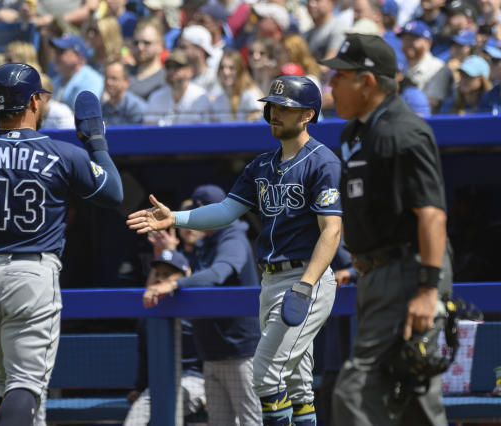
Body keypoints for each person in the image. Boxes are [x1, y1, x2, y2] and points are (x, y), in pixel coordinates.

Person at [128, 75, 342, 426]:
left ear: (308, 115)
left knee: (264, 376)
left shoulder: (323, 162)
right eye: (271, 106)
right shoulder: (261, 165)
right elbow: (225, 211)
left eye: (284, 108)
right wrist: (176, 218)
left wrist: (306, 285)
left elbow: (331, 231)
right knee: (297, 386)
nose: (274, 113)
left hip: (307, 278)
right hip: (271, 280)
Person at [0, 63, 123, 425]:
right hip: (31, 276)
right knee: (25, 385)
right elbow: (113, 192)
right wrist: (95, 139)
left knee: (6, 385)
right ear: (33, 102)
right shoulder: (62, 152)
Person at [319, 33, 452, 425]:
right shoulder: (354, 134)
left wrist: (428, 290)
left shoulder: (402, 130)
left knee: (355, 393)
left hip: (410, 272)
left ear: (368, 82)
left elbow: (431, 214)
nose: (332, 85)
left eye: (340, 77)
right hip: (376, 275)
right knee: (412, 396)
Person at [142, 184, 263, 426]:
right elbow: (186, 273)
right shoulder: (203, 244)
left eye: (198, 211)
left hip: (240, 352)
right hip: (211, 353)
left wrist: (174, 285)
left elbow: (219, 274)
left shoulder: (233, 236)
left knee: (252, 422)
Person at [123, 249, 206, 426]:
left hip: (195, 381)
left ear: (184, 277)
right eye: (158, 274)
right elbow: (145, 356)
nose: (160, 279)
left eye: (168, 274)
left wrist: (212, 391)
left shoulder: (196, 310)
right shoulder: (149, 313)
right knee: (147, 409)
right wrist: (139, 387)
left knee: (156, 405)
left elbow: (210, 352)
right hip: (159, 385)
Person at [144, 48, 211, 125]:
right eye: (168, 66)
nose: (172, 71)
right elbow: (149, 130)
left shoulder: (201, 97)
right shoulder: (156, 97)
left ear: (190, 71)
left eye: (178, 66)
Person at [50, 33, 104, 110]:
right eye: (55, 52)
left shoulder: (91, 80)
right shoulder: (56, 80)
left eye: (60, 51)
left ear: (78, 57)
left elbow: (84, 115)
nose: (55, 56)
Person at [209, 49, 263, 122]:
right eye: (222, 68)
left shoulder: (250, 95)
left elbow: (254, 128)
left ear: (240, 71)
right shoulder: (218, 100)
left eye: (231, 68)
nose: (226, 72)